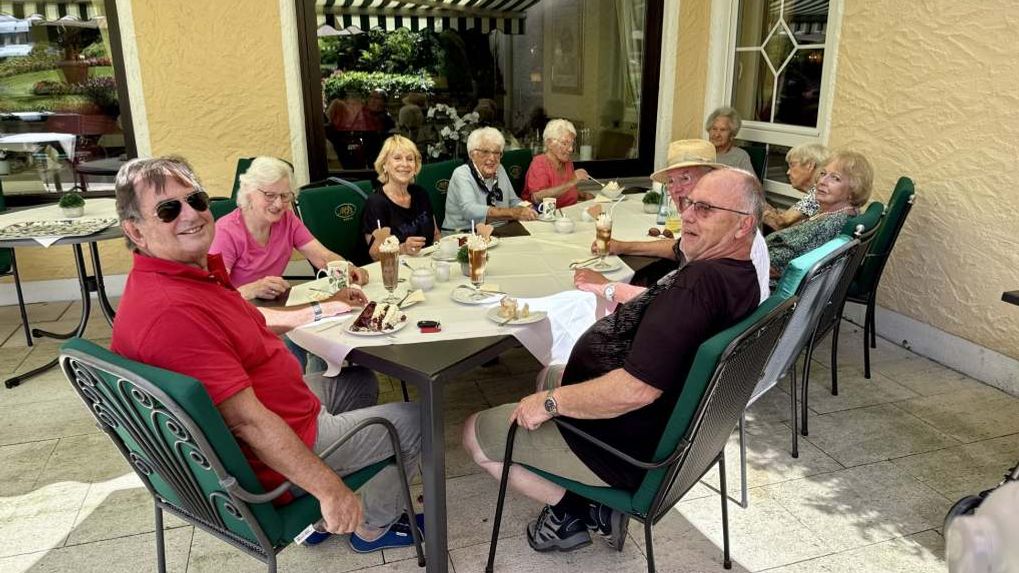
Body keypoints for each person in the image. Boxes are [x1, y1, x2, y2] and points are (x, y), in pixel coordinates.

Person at [110, 156, 424, 553]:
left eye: (197, 200)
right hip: (275, 445)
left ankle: (330, 504)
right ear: (135, 230)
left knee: (355, 378)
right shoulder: (173, 311)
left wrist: (323, 306)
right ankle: (373, 527)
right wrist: (328, 490)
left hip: (287, 408)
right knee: (416, 419)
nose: (191, 214)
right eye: (169, 209)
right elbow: (249, 423)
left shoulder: (187, 276)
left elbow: (251, 323)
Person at [462, 168, 764, 553]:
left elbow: (634, 390)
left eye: (704, 209)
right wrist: (605, 288)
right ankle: (585, 502)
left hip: (624, 443)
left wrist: (549, 404)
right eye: (688, 203)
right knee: (549, 374)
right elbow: (662, 312)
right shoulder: (737, 275)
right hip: (657, 424)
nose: (687, 214)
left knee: (476, 432)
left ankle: (580, 511)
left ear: (743, 226)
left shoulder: (697, 286)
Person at [576, 139, 770, 305]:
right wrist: (622, 246)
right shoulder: (727, 226)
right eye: (670, 181)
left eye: (685, 178)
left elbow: (672, 304)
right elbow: (678, 248)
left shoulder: (721, 251)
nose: (675, 189)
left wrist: (607, 286)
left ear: (712, 179)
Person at [210, 156, 368, 301]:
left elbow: (322, 256)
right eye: (269, 195)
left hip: (272, 306)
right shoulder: (226, 232)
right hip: (236, 314)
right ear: (249, 192)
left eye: (285, 196)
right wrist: (253, 289)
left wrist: (348, 267)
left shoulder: (287, 220)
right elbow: (212, 294)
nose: (279, 204)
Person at [767, 149, 874, 280]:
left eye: (835, 178)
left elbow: (777, 266)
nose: (822, 181)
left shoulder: (830, 224)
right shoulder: (833, 213)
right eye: (823, 173)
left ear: (853, 189)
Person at [442, 127, 537, 231]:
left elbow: (513, 200)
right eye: (485, 152)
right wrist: (514, 213)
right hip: (463, 236)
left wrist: (528, 207)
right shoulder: (462, 174)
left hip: (498, 231)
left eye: (497, 153)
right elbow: (470, 210)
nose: (492, 158)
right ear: (471, 154)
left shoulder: (499, 169)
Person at [362, 135, 441, 260]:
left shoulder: (421, 194)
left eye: (410, 159)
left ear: (415, 167)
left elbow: (436, 235)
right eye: (397, 158)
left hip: (427, 266)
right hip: (394, 272)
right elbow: (375, 254)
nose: (405, 164)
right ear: (384, 165)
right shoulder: (377, 203)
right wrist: (403, 248)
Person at [522, 118, 595, 208]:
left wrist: (583, 196)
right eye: (565, 143)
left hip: (567, 213)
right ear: (549, 143)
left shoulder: (567, 162)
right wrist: (572, 182)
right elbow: (538, 197)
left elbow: (567, 191)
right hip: (543, 216)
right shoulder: (539, 163)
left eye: (572, 144)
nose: (571, 149)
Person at [762, 143, 830, 231]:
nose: (788, 172)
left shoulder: (819, 194)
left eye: (792, 165)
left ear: (810, 166)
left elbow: (781, 223)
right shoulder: (821, 192)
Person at [706, 106, 755, 174]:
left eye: (722, 130)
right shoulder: (700, 152)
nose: (717, 135)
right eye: (714, 129)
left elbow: (752, 183)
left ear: (732, 135)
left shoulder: (740, 157)